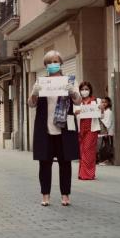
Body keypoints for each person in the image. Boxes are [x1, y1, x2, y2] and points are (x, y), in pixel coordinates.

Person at [28, 50, 81, 207]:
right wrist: (35, 93)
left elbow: (78, 101)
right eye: (49, 62)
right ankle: (45, 195)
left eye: (55, 61)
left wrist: (72, 91)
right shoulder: (41, 82)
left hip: (64, 128)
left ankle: (65, 195)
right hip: (45, 130)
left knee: (65, 163)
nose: (52, 65)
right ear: (45, 65)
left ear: (61, 63)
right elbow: (31, 104)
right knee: (44, 163)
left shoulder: (70, 80)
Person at [74, 82, 100, 180]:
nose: (84, 91)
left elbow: (101, 115)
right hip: (80, 129)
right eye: (82, 89)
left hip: (91, 129)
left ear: (90, 90)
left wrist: (101, 109)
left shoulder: (95, 101)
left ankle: (87, 174)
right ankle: (82, 173)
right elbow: (73, 113)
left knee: (88, 151)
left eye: (86, 89)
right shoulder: (77, 101)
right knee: (82, 151)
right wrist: (76, 112)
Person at [98, 97, 114, 166]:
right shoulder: (104, 111)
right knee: (104, 146)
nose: (103, 103)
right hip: (104, 132)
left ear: (108, 103)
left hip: (107, 132)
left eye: (105, 102)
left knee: (107, 146)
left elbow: (107, 123)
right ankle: (104, 160)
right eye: (102, 102)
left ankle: (107, 160)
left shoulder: (109, 112)